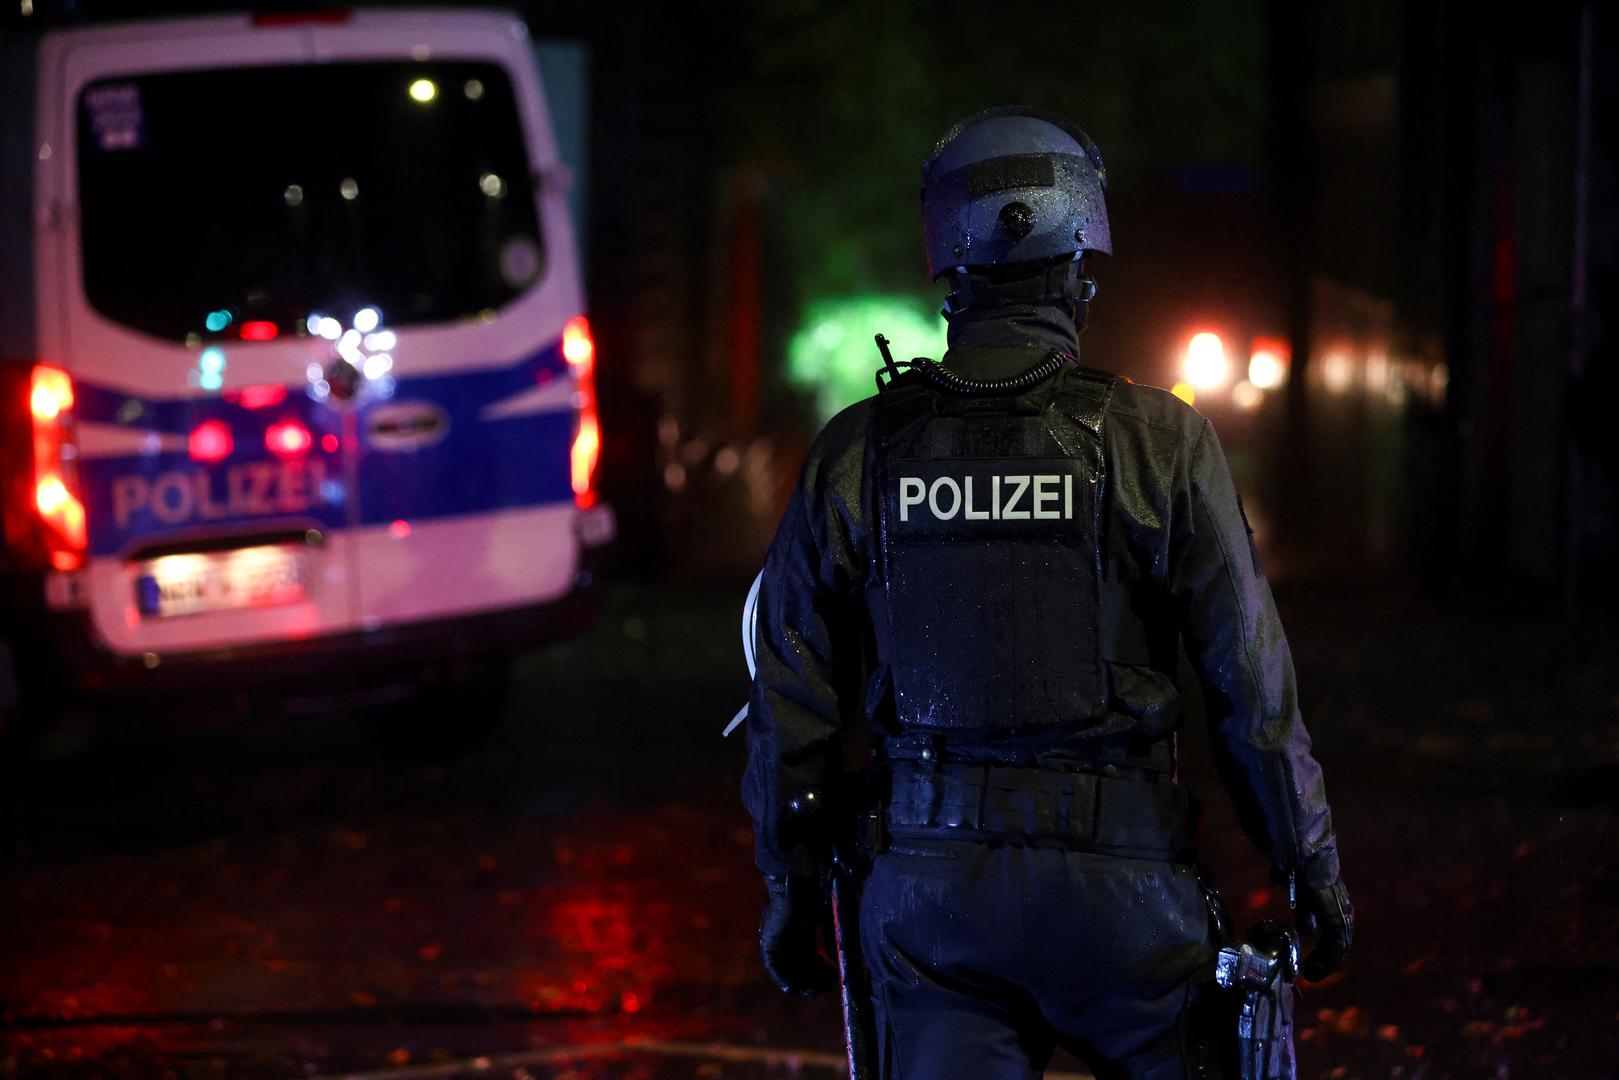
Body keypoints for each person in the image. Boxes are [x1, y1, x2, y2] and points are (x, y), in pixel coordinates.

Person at [741, 106, 1352, 1080]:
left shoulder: (857, 451)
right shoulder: (1159, 441)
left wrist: (790, 885)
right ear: (1077, 273)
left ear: (948, 275)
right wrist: (1307, 867)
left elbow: (790, 699)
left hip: (928, 901)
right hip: (1125, 902)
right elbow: (1251, 690)